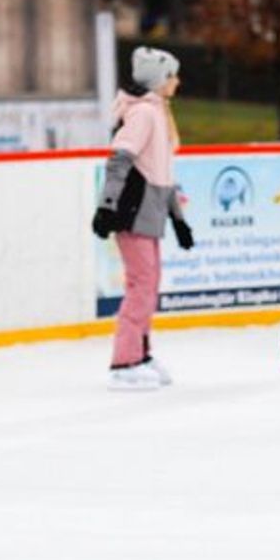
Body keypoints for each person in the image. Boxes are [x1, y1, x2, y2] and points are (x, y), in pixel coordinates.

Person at [92, 47, 193, 391]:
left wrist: (178, 220)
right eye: (172, 75)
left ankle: (141, 354)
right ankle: (124, 362)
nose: (177, 81)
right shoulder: (144, 115)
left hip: (148, 216)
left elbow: (162, 175)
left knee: (148, 285)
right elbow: (119, 160)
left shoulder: (157, 112)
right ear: (158, 79)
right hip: (131, 213)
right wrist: (106, 207)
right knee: (141, 286)